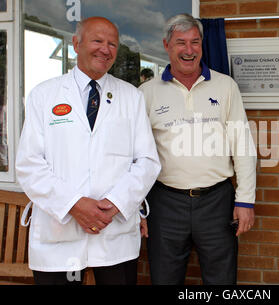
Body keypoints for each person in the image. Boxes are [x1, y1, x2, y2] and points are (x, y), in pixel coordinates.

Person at [15, 16, 161, 285]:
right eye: (97, 40)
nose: (105, 49)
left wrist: (115, 203)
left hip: (113, 232)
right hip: (58, 235)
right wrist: (74, 205)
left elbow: (148, 161)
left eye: (113, 44)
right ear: (76, 43)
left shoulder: (131, 97)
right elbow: (29, 164)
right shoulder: (44, 95)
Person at [139, 13, 256, 285]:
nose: (189, 50)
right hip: (164, 203)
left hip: (217, 202)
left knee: (222, 281)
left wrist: (245, 200)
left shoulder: (226, 86)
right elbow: (136, 156)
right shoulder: (146, 93)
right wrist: (138, 209)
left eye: (195, 42)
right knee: (164, 279)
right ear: (166, 45)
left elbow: (242, 144)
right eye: (181, 42)